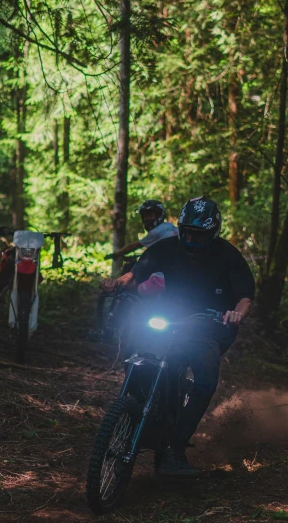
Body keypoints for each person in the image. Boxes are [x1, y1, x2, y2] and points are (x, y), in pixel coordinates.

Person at [101, 196, 255, 476]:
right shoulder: (165, 247)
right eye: (188, 233)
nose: (193, 240)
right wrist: (116, 284)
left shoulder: (228, 255)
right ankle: (133, 413)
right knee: (140, 354)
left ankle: (175, 446)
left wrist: (237, 313)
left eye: (200, 235)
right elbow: (135, 275)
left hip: (210, 325)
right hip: (169, 318)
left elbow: (245, 296)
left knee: (205, 381)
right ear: (180, 229)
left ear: (214, 232)